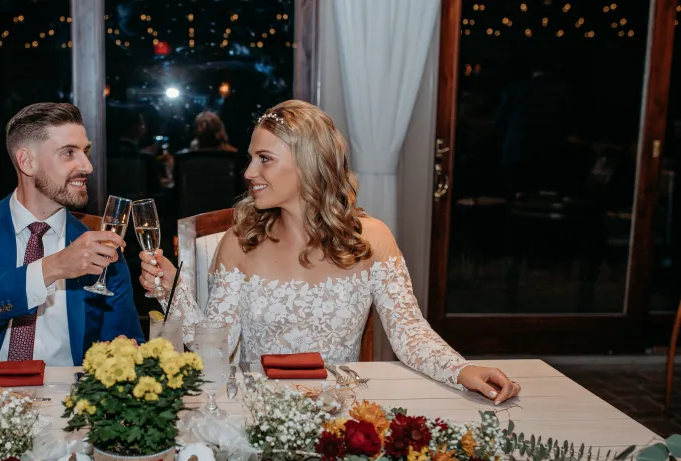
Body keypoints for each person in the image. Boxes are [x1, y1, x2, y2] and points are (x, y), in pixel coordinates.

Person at [139, 100, 521, 405]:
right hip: (257, 409)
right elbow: (214, 352)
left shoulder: (372, 240)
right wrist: (171, 291)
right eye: (251, 158)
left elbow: (410, 335)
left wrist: (461, 369)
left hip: (343, 408)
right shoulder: (240, 242)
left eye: (264, 159)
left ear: (308, 164)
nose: (249, 172)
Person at [0, 102, 144, 369]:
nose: (87, 166)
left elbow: (126, 343)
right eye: (69, 152)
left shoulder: (100, 247)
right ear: (27, 162)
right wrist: (51, 268)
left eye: (85, 152)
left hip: (69, 399)